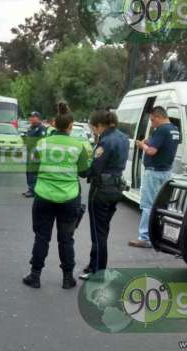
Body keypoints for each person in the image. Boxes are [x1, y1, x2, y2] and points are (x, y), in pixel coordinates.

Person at [23, 103, 92, 290]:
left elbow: (33, 168)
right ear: (70, 126)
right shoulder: (78, 146)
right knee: (66, 239)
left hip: (43, 197)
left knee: (41, 237)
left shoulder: (42, 144)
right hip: (69, 199)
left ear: (54, 125)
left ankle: (35, 276)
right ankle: (68, 278)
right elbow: (85, 172)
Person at [79, 110, 129, 280]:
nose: (94, 131)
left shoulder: (106, 141)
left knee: (97, 233)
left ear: (100, 125)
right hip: (115, 187)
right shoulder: (122, 137)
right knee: (103, 230)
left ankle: (98, 271)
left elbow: (94, 169)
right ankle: (93, 264)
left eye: (94, 128)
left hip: (101, 189)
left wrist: (81, 170)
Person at [129, 106, 180, 248]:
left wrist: (142, 146)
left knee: (148, 205)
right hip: (166, 171)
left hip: (154, 171)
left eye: (152, 120)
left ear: (158, 117)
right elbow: (162, 145)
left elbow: (151, 151)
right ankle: (158, 235)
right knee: (161, 205)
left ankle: (144, 237)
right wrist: (149, 141)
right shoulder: (174, 130)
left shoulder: (162, 129)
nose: (152, 123)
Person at [23, 111, 48, 198]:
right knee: (29, 172)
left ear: (38, 118)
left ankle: (34, 190)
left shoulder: (41, 128)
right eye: (30, 117)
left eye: (33, 117)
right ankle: (30, 188)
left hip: (36, 154)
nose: (31, 118)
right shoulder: (31, 128)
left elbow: (42, 142)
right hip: (29, 153)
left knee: (33, 172)